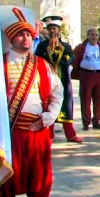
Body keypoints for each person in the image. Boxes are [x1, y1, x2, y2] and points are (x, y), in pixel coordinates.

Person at [0, 6, 64, 197]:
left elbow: (58, 93)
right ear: (10, 37)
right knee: (6, 181)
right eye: (20, 35)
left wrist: (47, 118)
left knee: (41, 180)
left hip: (37, 131)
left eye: (28, 34)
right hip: (9, 133)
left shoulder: (42, 64)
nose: (25, 39)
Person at [35, 15, 82, 143]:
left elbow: (68, 60)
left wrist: (56, 52)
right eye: (50, 28)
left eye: (54, 28)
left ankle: (70, 134)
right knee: (47, 105)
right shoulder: (41, 46)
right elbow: (38, 60)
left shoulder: (66, 46)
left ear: (59, 30)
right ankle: (48, 134)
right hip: (47, 80)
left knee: (66, 106)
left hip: (63, 81)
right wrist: (49, 49)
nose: (52, 31)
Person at [71, 28, 100, 130]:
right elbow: (73, 58)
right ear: (87, 36)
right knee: (85, 99)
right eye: (92, 35)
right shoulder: (81, 48)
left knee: (98, 100)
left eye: (96, 35)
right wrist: (78, 71)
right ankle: (86, 122)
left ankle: (96, 121)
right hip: (86, 74)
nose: (94, 37)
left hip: (98, 75)